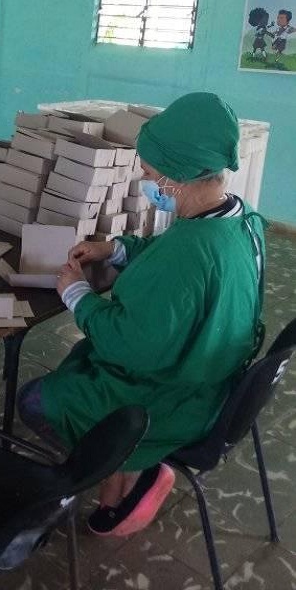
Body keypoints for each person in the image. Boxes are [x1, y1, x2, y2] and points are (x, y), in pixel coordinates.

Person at [17, 92, 266, 537]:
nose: (145, 181)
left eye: (150, 174)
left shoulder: (190, 253)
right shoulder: (240, 221)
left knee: (36, 400)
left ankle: (133, 463)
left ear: (178, 176)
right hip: (212, 381)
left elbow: (132, 346)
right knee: (78, 377)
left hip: (167, 397)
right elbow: (169, 258)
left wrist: (78, 296)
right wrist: (118, 249)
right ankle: (122, 483)